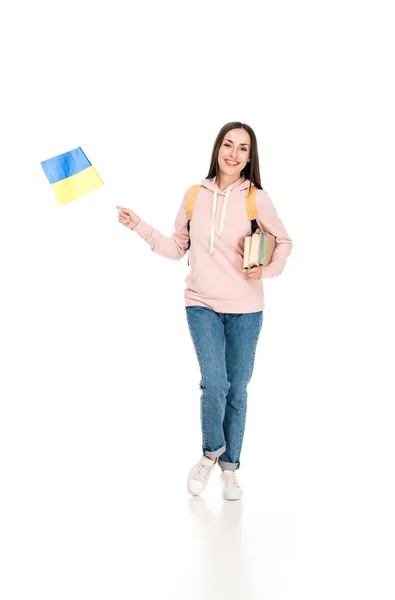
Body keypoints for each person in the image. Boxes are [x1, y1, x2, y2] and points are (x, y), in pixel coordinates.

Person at [116, 121, 293, 501]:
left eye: (242, 148)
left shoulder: (256, 199)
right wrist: (140, 227)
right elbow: (176, 247)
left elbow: (284, 242)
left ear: (250, 157)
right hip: (201, 303)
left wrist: (267, 270)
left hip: (247, 308)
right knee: (215, 383)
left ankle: (231, 469)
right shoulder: (195, 195)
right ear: (217, 149)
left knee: (237, 390)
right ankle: (211, 453)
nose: (233, 153)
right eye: (227, 145)